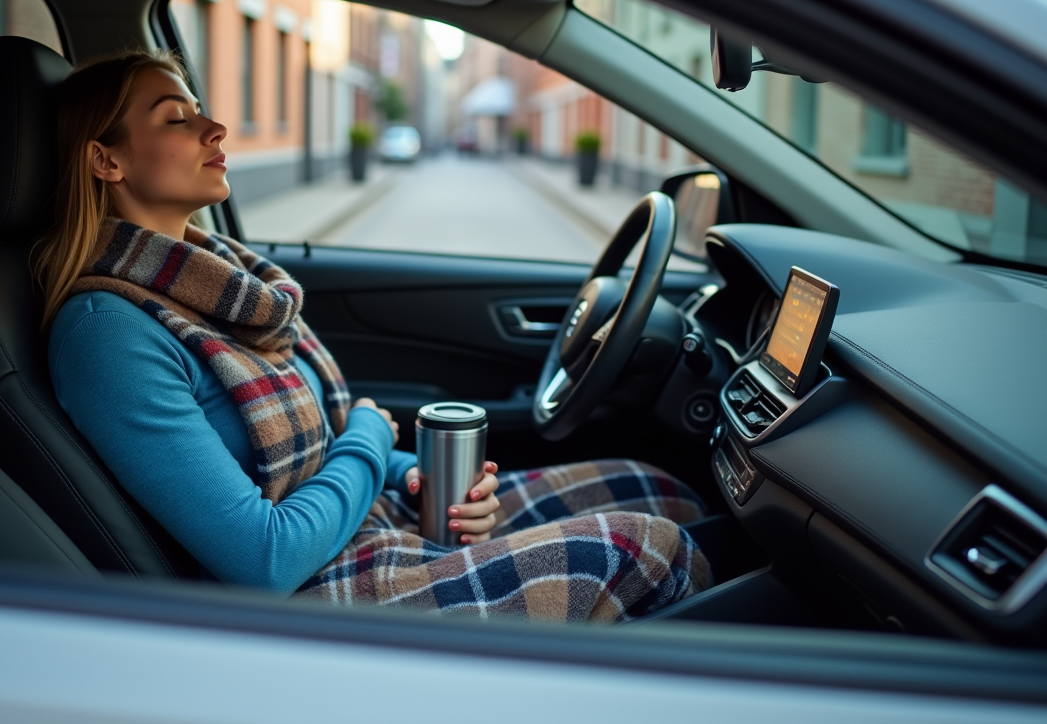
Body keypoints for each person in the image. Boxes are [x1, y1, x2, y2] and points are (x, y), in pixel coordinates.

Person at [39, 50, 710, 621]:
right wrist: (370, 440)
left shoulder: (222, 286)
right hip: (304, 594)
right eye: (177, 119)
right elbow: (262, 561)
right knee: (649, 548)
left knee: (655, 486)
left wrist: (412, 476)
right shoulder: (108, 334)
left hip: (353, 524)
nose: (215, 127)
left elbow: (316, 448)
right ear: (107, 161)